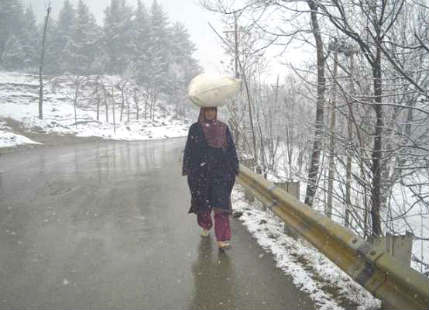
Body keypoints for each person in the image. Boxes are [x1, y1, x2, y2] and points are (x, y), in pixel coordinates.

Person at [182, 106, 239, 250]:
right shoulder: (195, 129)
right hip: (200, 174)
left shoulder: (223, 128)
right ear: (202, 111)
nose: (210, 113)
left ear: (216, 111)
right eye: (207, 110)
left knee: (221, 206)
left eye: (212, 110)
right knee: (203, 205)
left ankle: (223, 238)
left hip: (221, 174)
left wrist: (234, 166)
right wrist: (188, 168)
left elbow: (231, 149)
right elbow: (189, 149)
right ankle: (206, 225)